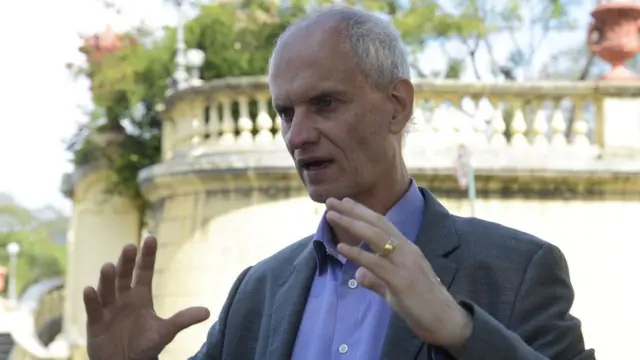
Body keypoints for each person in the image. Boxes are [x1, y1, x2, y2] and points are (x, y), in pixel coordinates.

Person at [82, 6, 596, 360]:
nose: (298, 136)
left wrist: (461, 331)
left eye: (325, 104)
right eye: (286, 113)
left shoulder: (516, 269)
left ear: (398, 105)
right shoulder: (258, 291)